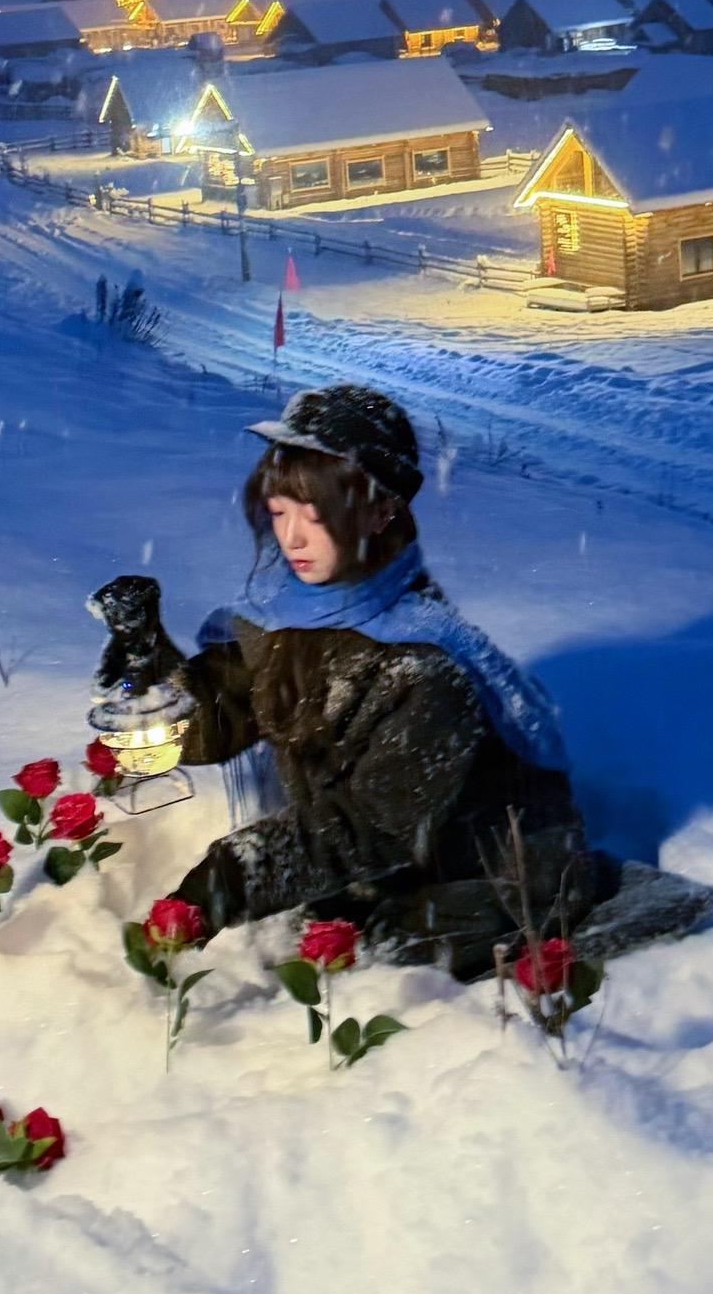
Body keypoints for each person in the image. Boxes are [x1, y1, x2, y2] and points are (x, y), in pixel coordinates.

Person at [169, 383, 618, 977]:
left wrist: (230, 879)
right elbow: (208, 730)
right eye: (280, 511)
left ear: (381, 511)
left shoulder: (426, 665)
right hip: (365, 866)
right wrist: (143, 675)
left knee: (377, 971)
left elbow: (374, 825)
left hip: (476, 882)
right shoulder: (290, 612)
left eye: (317, 512)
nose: (293, 538)